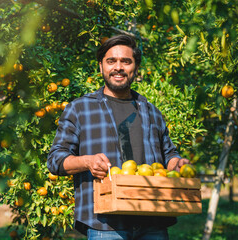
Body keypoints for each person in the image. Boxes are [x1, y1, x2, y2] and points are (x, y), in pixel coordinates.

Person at [47, 34, 190, 240]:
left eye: (126, 61)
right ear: (101, 67)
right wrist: (88, 161)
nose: (118, 67)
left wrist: (177, 164)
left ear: (136, 67)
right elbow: (55, 160)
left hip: (152, 220)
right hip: (105, 224)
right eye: (111, 61)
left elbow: (169, 154)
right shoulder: (80, 109)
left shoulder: (152, 112)